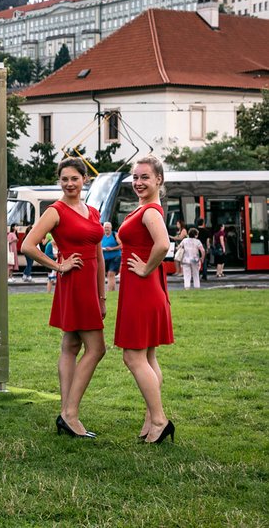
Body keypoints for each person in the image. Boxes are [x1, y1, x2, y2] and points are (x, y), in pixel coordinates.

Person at [21, 157, 106, 439]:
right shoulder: (55, 211)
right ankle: (70, 414)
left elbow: (98, 253)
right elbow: (28, 246)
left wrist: (102, 295)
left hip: (90, 287)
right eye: (64, 179)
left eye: (74, 178)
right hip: (74, 283)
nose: (69, 184)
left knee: (70, 345)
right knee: (96, 349)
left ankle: (66, 413)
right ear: (60, 181)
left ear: (84, 180)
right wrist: (58, 266)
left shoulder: (92, 211)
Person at [116, 155, 175, 444]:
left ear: (158, 180)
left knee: (133, 356)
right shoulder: (145, 207)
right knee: (149, 357)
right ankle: (150, 421)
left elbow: (164, 244)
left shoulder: (151, 211)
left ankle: (160, 420)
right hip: (144, 288)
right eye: (135, 177)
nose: (138, 182)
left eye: (145, 177)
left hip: (142, 288)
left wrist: (146, 267)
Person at [102, 221, 122, 292]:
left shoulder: (115, 235)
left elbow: (121, 245)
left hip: (115, 257)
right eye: (105, 227)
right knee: (108, 275)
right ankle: (112, 291)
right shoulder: (101, 235)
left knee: (111, 274)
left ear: (111, 228)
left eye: (108, 227)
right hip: (105, 258)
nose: (106, 229)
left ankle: (109, 292)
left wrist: (112, 249)